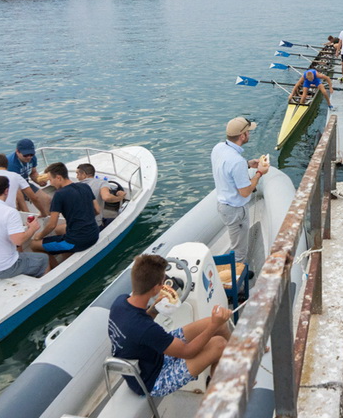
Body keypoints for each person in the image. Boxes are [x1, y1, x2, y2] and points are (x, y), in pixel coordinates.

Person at [108, 254, 232, 398]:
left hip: (150, 356)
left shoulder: (120, 302)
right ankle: (221, 392)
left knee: (219, 326)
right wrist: (213, 325)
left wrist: (155, 309)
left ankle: (237, 358)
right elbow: (188, 352)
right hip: (152, 380)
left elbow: (140, 323)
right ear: (156, 288)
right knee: (219, 343)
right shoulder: (147, 329)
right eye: (163, 281)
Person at [211, 117, 269, 261]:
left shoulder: (218, 148)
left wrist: (248, 163)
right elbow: (245, 191)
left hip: (223, 205)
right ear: (242, 136)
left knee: (237, 243)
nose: (249, 134)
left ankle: (237, 271)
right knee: (240, 252)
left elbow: (227, 168)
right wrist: (260, 172)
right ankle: (237, 279)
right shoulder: (237, 161)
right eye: (248, 132)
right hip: (235, 210)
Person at [0, 175, 48, 279]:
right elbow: (18, 241)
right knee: (44, 259)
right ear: (6, 191)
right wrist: (32, 229)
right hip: (2, 268)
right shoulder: (10, 212)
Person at [31, 162, 100, 268]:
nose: (51, 183)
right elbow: (97, 210)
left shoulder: (59, 195)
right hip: (94, 234)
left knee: (34, 245)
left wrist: (39, 236)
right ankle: (66, 258)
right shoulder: (84, 186)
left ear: (58, 178)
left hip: (78, 241)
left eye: (50, 180)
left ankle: (55, 269)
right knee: (60, 230)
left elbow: (51, 225)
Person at [76, 163, 126, 228]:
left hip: (77, 225)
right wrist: (120, 197)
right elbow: (106, 197)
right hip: (95, 225)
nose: (76, 176)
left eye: (78, 174)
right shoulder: (101, 182)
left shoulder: (74, 186)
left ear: (84, 174)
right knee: (121, 221)